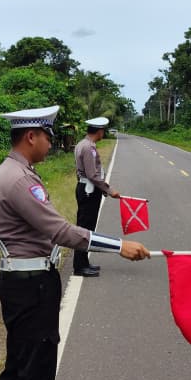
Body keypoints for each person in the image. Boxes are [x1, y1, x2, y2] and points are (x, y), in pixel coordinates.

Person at [0, 105, 150, 380]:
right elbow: (58, 230)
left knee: (17, 370)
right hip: (30, 286)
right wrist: (117, 246)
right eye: (47, 136)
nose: (51, 142)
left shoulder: (9, 173)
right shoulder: (19, 180)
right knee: (34, 376)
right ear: (30, 137)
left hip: (22, 281)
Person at [72, 116, 120, 276]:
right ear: (99, 131)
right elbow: (93, 175)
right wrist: (109, 189)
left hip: (86, 188)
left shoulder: (83, 144)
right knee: (85, 228)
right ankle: (79, 266)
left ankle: (84, 262)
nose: (103, 133)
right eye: (103, 130)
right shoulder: (88, 148)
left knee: (87, 228)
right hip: (89, 190)